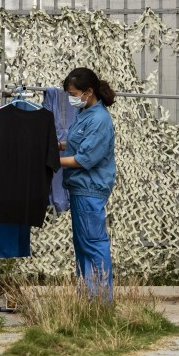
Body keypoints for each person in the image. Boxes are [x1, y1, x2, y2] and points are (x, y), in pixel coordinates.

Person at [58, 67, 116, 300]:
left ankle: (100, 300)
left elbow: (84, 159)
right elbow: (76, 145)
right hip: (81, 190)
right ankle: (88, 297)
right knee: (83, 245)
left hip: (90, 189)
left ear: (88, 92)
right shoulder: (86, 114)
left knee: (93, 244)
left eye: (74, 93)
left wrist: (52, 160)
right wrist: (55, 145)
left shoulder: (100, 119)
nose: (72, 98)